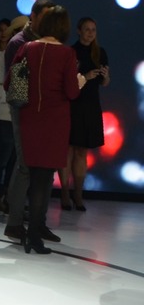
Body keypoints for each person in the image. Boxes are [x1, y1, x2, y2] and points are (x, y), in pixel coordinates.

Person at [6, 6, 84, 254]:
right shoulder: (67, 54)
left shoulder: (27, 48)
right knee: (43, 180)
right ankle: (34, 234)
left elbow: (10, 81)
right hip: (54, 122)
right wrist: (80, 81)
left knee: (32, 173)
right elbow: (71, 92)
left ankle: (32, 232)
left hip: (29, 118)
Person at [2, 0, 56, 242]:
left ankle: (38, 222)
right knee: (24, 165)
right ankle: (14, 222)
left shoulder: (50, 43)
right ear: (33, 16)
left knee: (45, 167)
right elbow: (15, 82)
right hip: (23, 109)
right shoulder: (19, 42)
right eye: (44, 16)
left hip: (42, 110)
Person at [58, 17, 110, 211]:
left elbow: (105, 83)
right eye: (87, 29)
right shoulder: (71, 52)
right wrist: (85, 77)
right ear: (79, 31)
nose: (90, 33)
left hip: (90, 106)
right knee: (68, 150)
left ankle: (78, 194)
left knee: (82, 151)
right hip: (73, 104)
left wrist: (105, 77)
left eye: (93, 30)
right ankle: (64, 192)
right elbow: (66, 81)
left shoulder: (100, 53)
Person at [0, 16, 25, 211]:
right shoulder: (1, 56)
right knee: (1, 157)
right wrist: (10, 93)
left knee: (13, 160)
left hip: (19, 115)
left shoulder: (25, 57)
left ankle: (9, 196)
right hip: (2, 114)